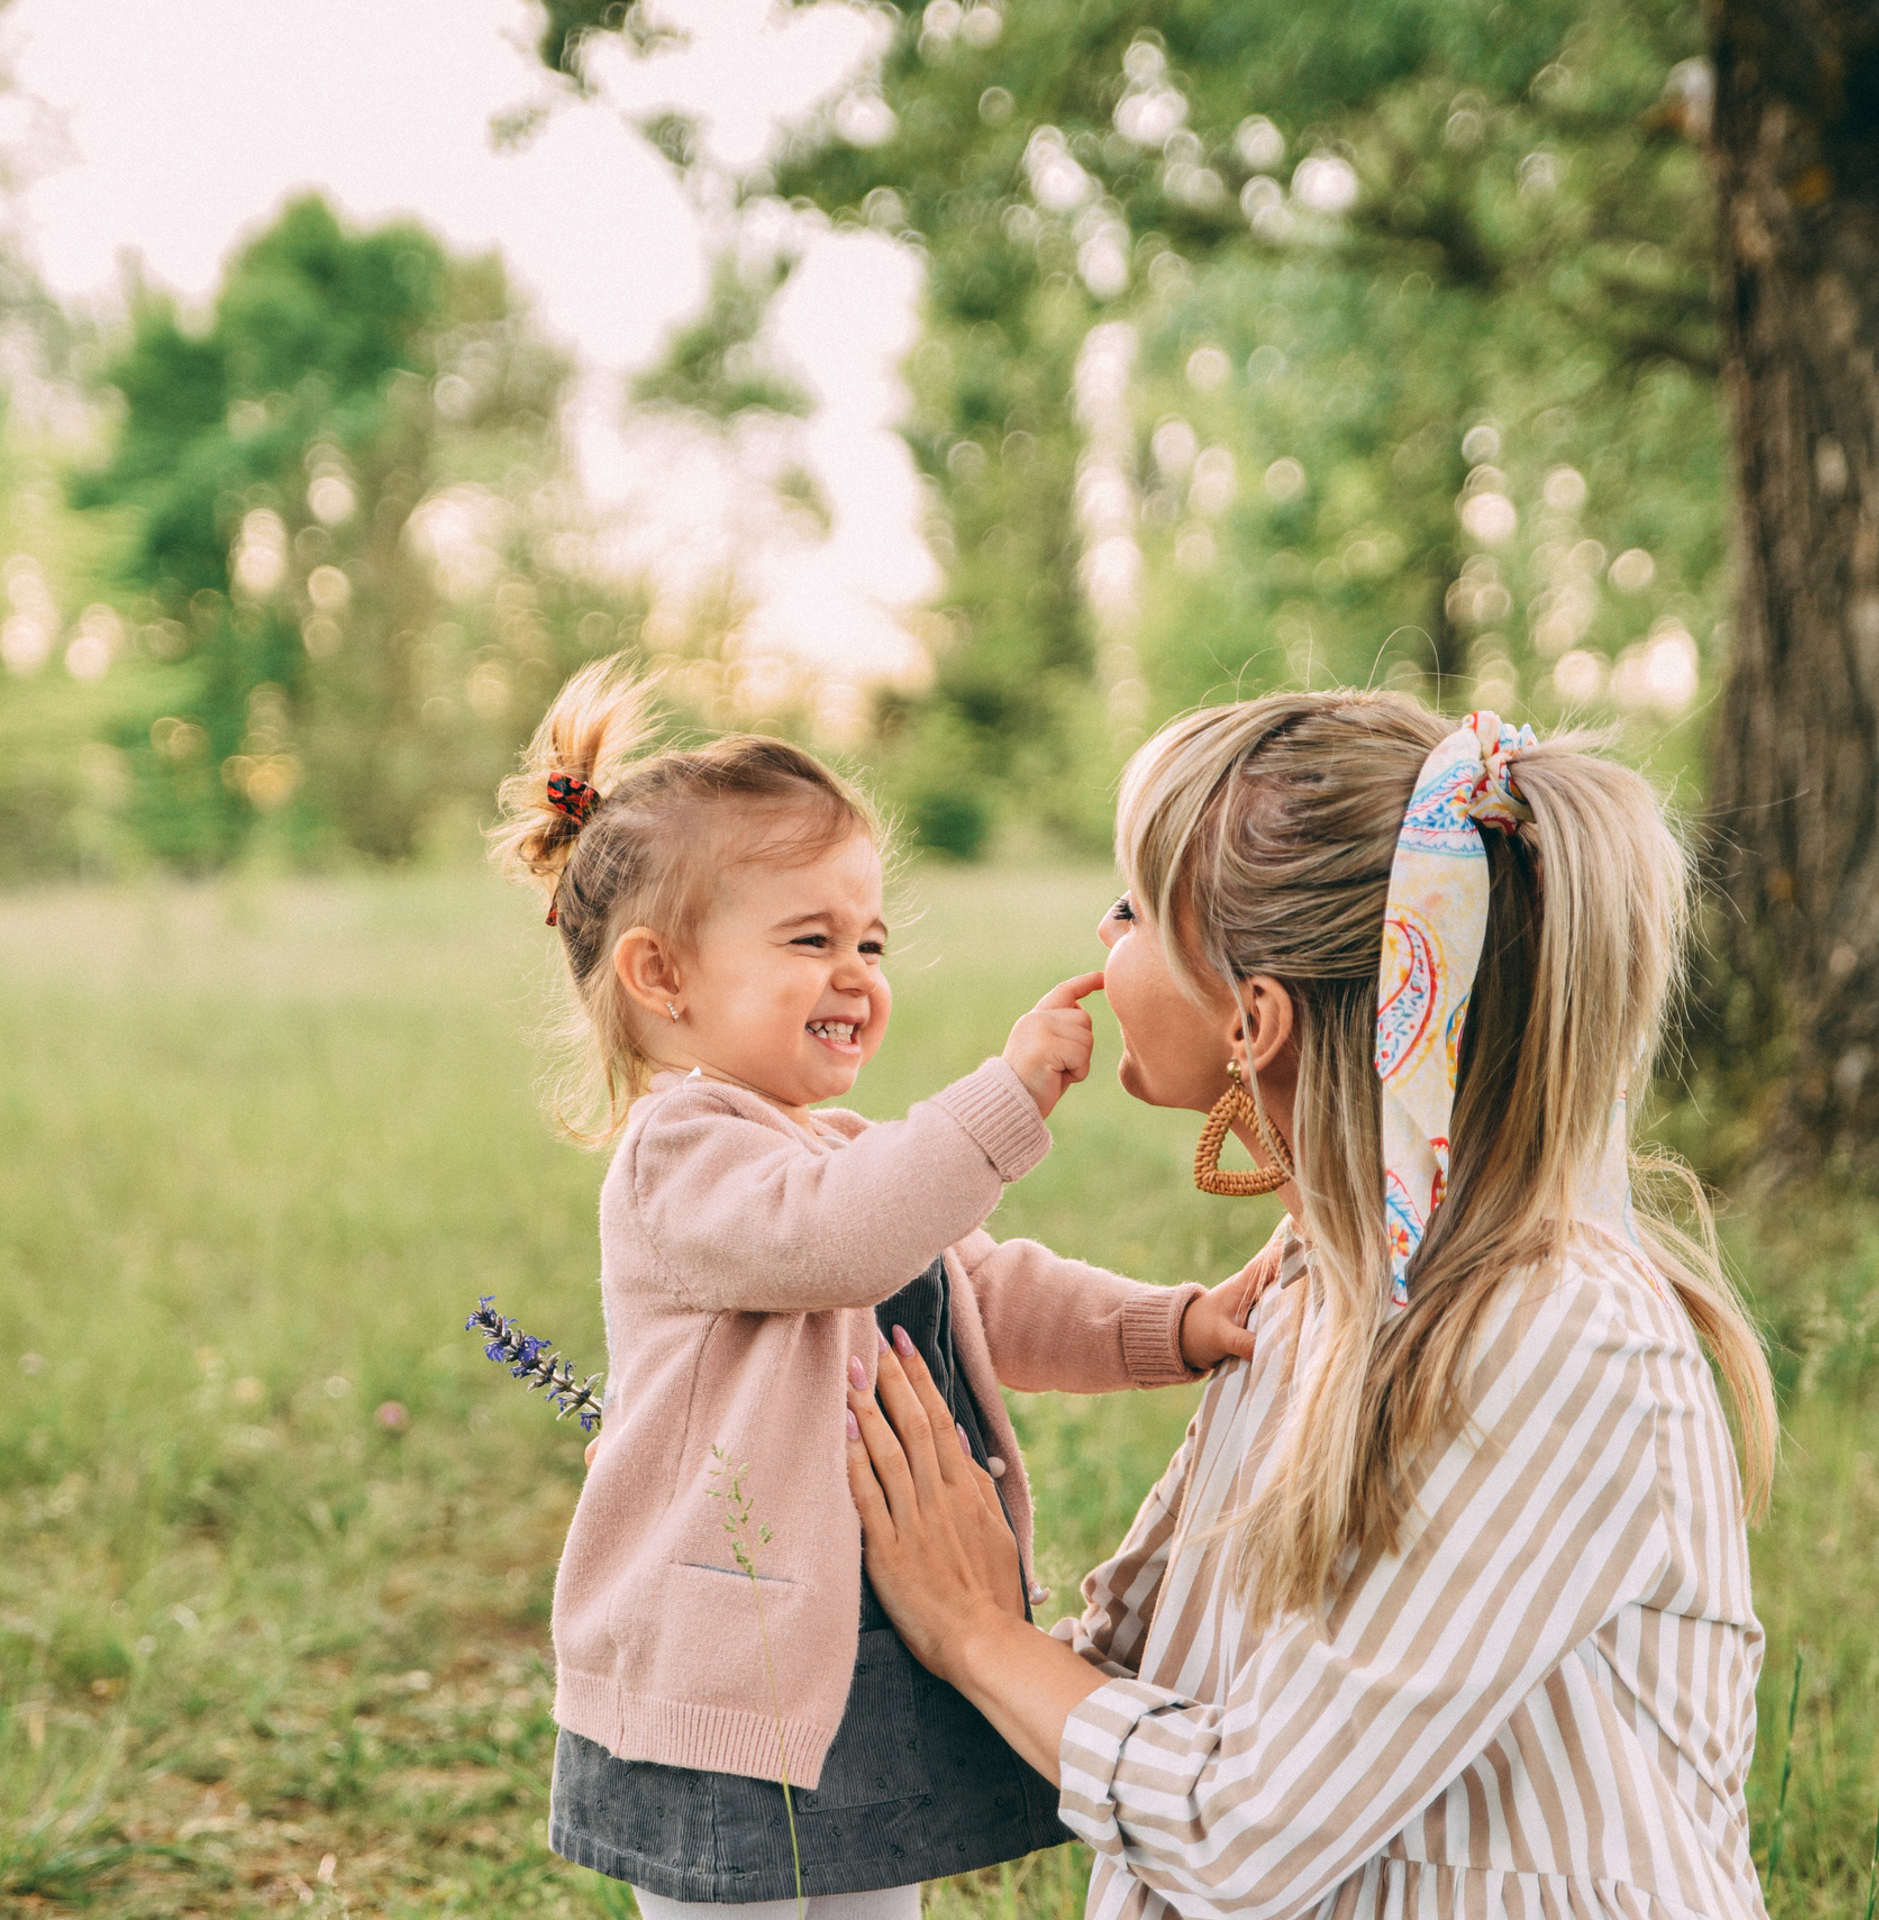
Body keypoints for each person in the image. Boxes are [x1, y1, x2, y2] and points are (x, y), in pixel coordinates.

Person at [846, 691, 1778, 1920]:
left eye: (1131, 907)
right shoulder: (1314, 1275)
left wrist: (973, 1630)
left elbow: (1245, 1835)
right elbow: (1128, 1661)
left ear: (1253, 1020)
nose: (1101, 934)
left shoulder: (1556, 1330)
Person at [488, 660, 1265, 1920]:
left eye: (870, 940)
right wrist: (1008, 1100)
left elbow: (992, 1290)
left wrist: (1170, 1326)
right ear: (661, 978)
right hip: (727, 1673)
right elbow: (845, 1242)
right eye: (809, 940)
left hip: (858, 1640)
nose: (857, 971)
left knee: (867, 1899)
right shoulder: (680, 1157)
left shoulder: (836, 1157)